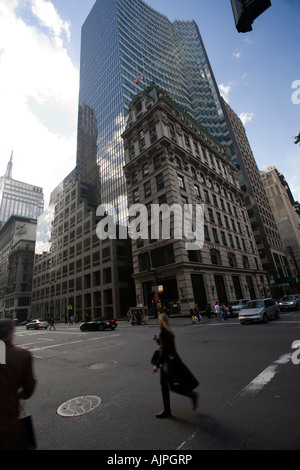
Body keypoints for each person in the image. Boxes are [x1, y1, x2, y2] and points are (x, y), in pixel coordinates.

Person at [152, 314, 199, 418]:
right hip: (171, 363)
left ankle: (167, 411)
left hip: (167, 364)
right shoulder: (168, 333)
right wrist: (157, 340)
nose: (158, 322)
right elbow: (165, 345)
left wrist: (157, 365)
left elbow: (164, 351)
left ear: (162, 322)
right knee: (172, 386)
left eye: (159, 320)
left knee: (164, 385)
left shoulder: (164, 333)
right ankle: (191, 395)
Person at [0, 319, 36, 450]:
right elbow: (29, 388)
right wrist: (16, 395)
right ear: (9, 334)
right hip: (8, 426)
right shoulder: (22, 355)